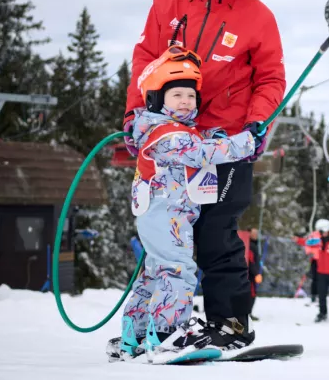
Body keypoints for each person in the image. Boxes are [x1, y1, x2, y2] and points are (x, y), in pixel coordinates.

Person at [121, 0, 286, 352]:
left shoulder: (258, 17)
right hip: (172, 141)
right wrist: (136, 114)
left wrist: (256, 124)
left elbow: (271, 78)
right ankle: (149, 328)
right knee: (168, 237)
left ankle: (228, 322)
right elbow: (145, 60)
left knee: (217, 231)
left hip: (225, 143)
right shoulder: (168, 3)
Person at [107, 46, 259, 363]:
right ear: (156, 99)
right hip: (165, 216)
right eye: (177, 95)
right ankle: (168, 334)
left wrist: (218, 134)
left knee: (154, 275)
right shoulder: (164, 133)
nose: (186, 101)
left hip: (166, 217)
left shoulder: (173, 130)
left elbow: (198, 142)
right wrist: (245, 142)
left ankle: (135, 336)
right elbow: (202, 153)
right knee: (178, 270)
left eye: (191, 96)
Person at [294, 227, 322, 305]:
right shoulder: (314, 235)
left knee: (323, 279)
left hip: (324, 260)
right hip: (315, 260)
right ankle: (314, 296)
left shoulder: (327, 235)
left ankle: (321, 296)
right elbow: (308, 242)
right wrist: (299, 240)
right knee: (315, 279)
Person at [246, 228, 262, 321]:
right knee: (251, 294)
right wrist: (256, 274)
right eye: (254, 233)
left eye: (257, 233)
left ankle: (247, 313)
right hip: (250, 275)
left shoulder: (253, 245)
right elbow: (251, 261)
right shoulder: (250, 245)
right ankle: (247, 314)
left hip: (250, 274)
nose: (256, 235)